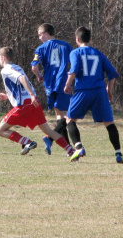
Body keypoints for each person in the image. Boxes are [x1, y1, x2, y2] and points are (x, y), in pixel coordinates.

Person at [0, 47, 83, 161]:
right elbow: (21, 86)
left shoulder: (6, 69)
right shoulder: (17, 67)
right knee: (48, 131)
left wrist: (31, 95)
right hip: (33, 103)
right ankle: (70, 151)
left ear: (3, 58)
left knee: (0, 130)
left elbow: (22, 78)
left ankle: (27, 142)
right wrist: (8, 96)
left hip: (24, 105)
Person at [63, 26, 123, 163]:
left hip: (83, 91)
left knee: (70, 120)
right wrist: (108, 91)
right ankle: (118, 153)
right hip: (99, 92)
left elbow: (73, 70)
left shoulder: (75, 53)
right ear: (89, 39)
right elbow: (112, 74)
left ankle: (79, 147)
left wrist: (67, 84)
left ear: (77, 39)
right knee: (109, 123)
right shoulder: (98, 53)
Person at [31, 23, 72, 155]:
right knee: (65, 116)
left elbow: (34, 67)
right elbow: (74, 63)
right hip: (63, 82)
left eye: (40, 35)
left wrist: (39, 76)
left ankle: (68, 148)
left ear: (46, 34)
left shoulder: (41, 48)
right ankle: (50, 138)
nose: (39, 38)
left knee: (59, 115)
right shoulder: (66, 45)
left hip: (49, 84)